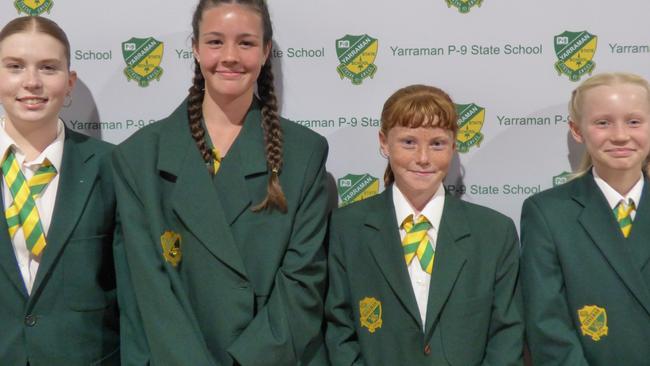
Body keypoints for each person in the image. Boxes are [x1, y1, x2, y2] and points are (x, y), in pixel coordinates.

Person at [112, 0, 329, 365]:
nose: (229, 56)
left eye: (245, 43)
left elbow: (303, 285)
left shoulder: (305, 154)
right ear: (195, 49)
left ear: (265, 52)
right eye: (215, 42)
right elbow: (146, 293)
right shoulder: (137, 158)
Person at [325, 84, 524, 365]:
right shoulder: (346, 229)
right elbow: (338, 328)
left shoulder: (494, 233)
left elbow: (507, 334)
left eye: (437, 144)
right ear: (384, 142)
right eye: (408, 142)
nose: (422, 158)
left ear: (454, 145)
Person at [0, 16, 118, 365]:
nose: (32, 82)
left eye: (48, 68)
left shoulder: (110, 166)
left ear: (69, 83)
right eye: (15, 67)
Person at [521, 72, 650, 365]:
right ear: (577, 130)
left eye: (634, 121)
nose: (620, 135)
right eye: (602, 122)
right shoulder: (547, 213)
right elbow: (547, 325)